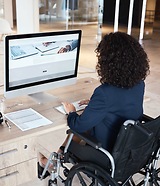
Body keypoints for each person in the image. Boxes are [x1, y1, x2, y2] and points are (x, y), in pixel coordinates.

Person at [38, 31, 150, 177]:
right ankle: (56, 158)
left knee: (78, 129)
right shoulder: (139, 84)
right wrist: (95, 104)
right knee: (88, 121)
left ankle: (54, 160)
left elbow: (78, 125)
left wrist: (71, 112)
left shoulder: (104, 93)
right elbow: (121, 104)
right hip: (129, 148)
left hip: (106, 152)